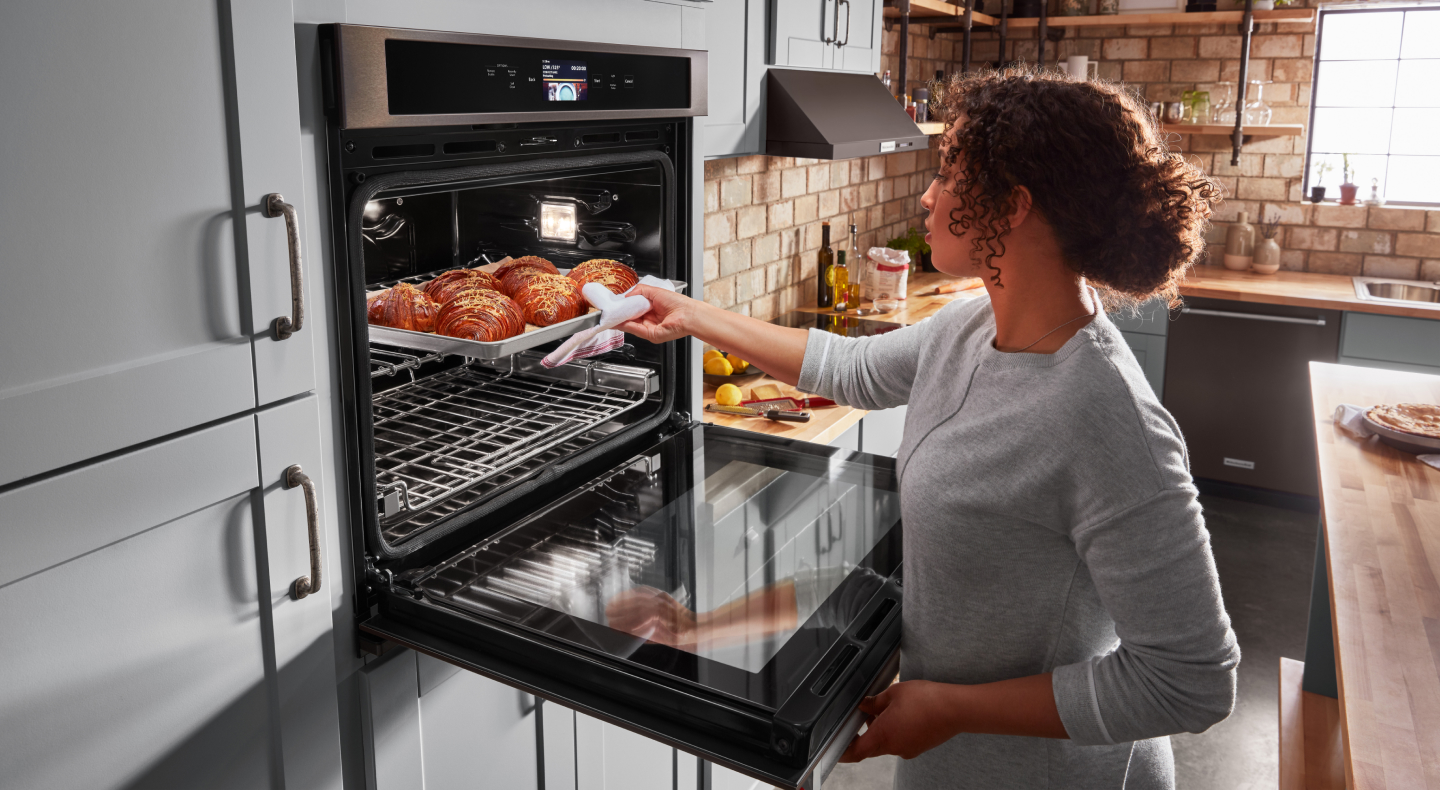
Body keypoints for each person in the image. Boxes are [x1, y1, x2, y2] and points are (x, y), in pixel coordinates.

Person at [613, 68, 1238, 789]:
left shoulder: (1108, 422)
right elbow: (850, 370)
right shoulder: (973, 326)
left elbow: (1191, 682)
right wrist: (688, 315)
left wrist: (951, 707)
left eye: (947, 174)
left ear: (1013, 208)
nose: (928, 195)